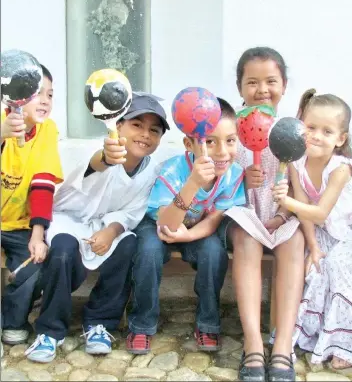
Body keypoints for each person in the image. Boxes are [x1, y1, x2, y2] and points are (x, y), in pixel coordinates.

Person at [25, 92, 169, 363]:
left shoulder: (151, 171)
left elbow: (131, 213)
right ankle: (50, 330)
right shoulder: (99, 151)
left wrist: (111, 231)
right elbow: (94, 165)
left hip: (104, 226)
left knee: (128, 245)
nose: (145, 135)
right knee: (64, 250)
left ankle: (100, 322)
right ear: (119, 126)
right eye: (136, 125)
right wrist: (105, 156)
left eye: (154, 130)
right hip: (68, 220)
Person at [272, 89, 352, 369]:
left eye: (327, 131)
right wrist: (312, 246)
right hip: (322, 230)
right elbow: (303, 210)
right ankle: (317, 333)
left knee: (336, 266)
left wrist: (283, 200)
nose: (316, 136)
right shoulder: (297, 163)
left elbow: (320, 210)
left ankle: (347, 346)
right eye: (311, 128)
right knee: (316, 266)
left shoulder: (341, 168)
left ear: (340, 139)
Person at [125, 98, 246, 354]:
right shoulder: (172, 171)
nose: (223, 152)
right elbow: (167, 225)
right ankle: (142, 325)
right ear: (189, 144)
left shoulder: (234, 175)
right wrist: (192, 182)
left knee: (214, 253)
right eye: (210, 142)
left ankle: (208, 323)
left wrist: (189, 236)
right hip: (159, 224)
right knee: (147, 252)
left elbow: (214, 219)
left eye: (231, 140)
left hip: (196, 228)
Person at [223, 47, 305, 382]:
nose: (262, 89)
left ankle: (283, 344)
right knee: (245, 239)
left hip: (281, 216)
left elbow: (303, 184)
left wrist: (285, 215)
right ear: (240, 87)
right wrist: (241, 179)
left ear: (284, 85)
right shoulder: (232, 131)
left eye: (271, 81)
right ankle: (253, 343)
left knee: (295, 242)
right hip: (244, 216)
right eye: (252, 82)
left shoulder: (293, 132)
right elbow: (217, 183)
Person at [1, 65, 63, 355]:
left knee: (33, 263)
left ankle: (12, 321)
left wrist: (38, 234)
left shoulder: (47, 130)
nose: (45, 100)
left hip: (18, 224)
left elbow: (42, 181)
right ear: (13, 95)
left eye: (49, 94)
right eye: (37, 92)